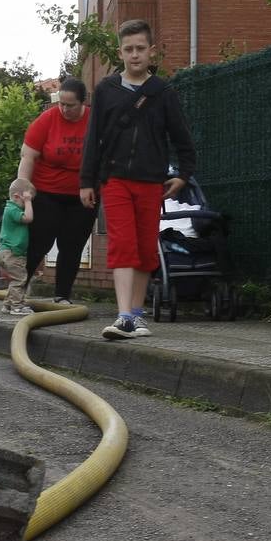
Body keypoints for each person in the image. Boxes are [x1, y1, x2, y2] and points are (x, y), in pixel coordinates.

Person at [79, 19, 196, 340]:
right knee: (123, 243)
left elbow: (182, 139)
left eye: (140, 49)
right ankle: (123, 315)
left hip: (151, 181)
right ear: (120, 52)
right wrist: (87, 181)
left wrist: (183, 175)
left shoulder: (164, 93)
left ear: (151, 51)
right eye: (128, 49)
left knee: (145, 248)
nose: (134, 55)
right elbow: (94, 137)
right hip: (114, 178)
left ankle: (137, 315)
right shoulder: (106, 90)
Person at [19, 77, 95, 305]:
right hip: (46, 193)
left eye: (70, 105)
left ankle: (62, 295)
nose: (64, 109)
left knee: (72, 246)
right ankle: (18, 291)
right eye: (60, 103)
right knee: (38, 243)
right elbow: (28, 157)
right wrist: (23, 187)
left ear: (82, 103)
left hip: (82, 196)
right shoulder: (47, 120)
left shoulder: (94, 122)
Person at [0, 177, 36, 316]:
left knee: (15, 280)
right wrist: (28, 201)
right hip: (12, 252)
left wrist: (25, 200)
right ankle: (17, 307)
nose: (27, 204)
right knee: (19, 279)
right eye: (24, 200)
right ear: (16, 196)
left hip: (9, 252)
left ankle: (7, 305)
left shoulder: (11, 208)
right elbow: (28, 218)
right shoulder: (11, 209)